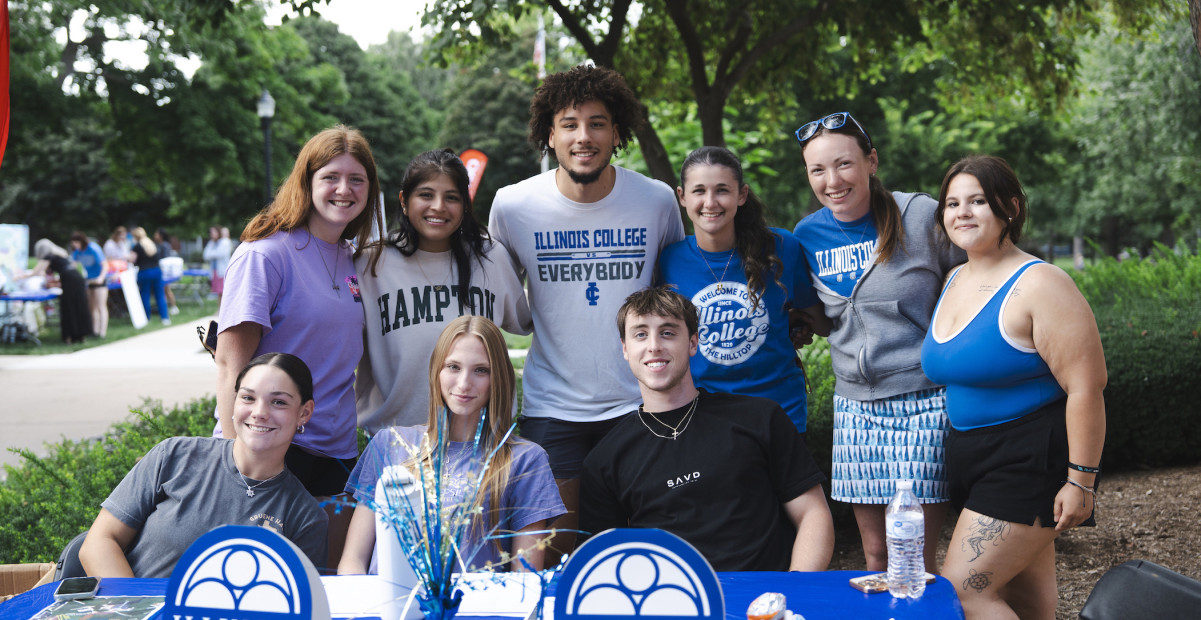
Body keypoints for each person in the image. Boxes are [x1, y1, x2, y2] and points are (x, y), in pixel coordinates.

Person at [488, 64, 685, 553]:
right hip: (552, 408)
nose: (584, 136)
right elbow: (499, 295)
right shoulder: (511, 206)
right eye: (570, 124)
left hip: (640, 403)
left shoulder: (656, 200)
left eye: (597, 123)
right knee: (550, 552)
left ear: (617, 133)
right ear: (549, 135)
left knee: (642, 551)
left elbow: (673, 293)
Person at [922, 155, 1105, 619]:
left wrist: (1081, 481)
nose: (961, 212)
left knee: (962, 593)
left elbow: (1086, 386)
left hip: (1028, 459)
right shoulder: (953, 278)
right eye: (952, 203)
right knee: (1028, 605)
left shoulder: (1040, 283)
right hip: (974, 457)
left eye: (977, 200)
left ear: (1011, 208)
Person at [791, 111, 964, 573]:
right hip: (855, 407)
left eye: (844, 164)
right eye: (818, 170)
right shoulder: (807, 235)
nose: (832, 181)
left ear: (871, 161)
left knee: (914, 558)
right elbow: (825, 321)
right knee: (874, 556)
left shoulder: (921, 215)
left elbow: (971, 282)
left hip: (924, 399)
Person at [215, 125, 382, 567]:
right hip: (271, 450)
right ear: (307, 181)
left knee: (328, 588)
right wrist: (234, 466)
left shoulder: (354, 258)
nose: (343, 189)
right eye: (331, 176)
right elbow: (231, 368)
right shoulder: (265, 255)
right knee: (265, 587)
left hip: (338, 452)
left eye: (357, 179)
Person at [580, 286, 834, 572]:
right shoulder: (605, 458)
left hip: (765, 603)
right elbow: (605, 562)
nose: (654, 346)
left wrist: (790, 592)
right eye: (640, 334)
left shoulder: (759, 418)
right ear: (625, 349)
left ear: (692, 343)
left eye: (668, 332)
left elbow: (813, 514)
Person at [339, 316, 565, 574]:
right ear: (437, 370)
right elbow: (354, 559)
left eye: (481, 370)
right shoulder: (389, 445)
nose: (464, 383)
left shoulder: (526, 460)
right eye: (453, 367)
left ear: (499, 377)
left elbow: (525, 578)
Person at [79, 353, 329, 578]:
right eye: (248, 398)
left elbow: (294, 603)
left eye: (279, 402)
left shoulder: (306, 518)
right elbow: (98, 543)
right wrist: (135, 611)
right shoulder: (176, 455)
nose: (259, 412)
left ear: (304, 413)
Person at [355, 149, 531, 433]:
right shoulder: (371, 263)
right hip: (395, 440)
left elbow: (525, 322)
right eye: (425, 195)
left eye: (451, 197)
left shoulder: (491, 258)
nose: (438, 206)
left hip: (481, 439)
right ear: (404, 200)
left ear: (465, 205)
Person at [658, 146, 826, 433]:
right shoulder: (668, 260)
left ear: (742, 195)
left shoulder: (782, 248)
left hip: (779, 412)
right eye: (699, 191)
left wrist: (794, 321)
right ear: (682, 197)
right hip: (704, 417)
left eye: (722, 190)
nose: (710, 202)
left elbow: (820, 322)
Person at [30, 239, 93, 343]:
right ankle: (80, 336)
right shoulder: (59, 254)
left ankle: (69, 336)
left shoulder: (48, 256)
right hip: (77, 278)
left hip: (69, 280)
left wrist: (19, 276)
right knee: (78, 306)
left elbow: (36, 272)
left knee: (68, 308)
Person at [69, 232, 109, 339]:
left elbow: (105, 265)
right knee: (92, 307)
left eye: (76, 242)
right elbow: (73, 265)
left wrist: (101, 278)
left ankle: (102, 332)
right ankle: (94, 331)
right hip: (89, 280)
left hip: (99, 279)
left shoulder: (93, 248)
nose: (75, 245)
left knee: (101, 306)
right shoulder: (77, 252)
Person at [129, 227, 170, 325]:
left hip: (144, 272)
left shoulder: (137, 246)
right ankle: (165, 318)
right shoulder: (151, 244)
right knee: (160, 295)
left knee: (145, 295)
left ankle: (147, 317)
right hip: (156, 271)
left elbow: (131, 259)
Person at [202, 226, 233, 302]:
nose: (212, 234)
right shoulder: (211, 243)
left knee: (224, 292)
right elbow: (205, 255)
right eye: (211, 232)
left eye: (214, 232)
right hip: (214, 271)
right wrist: (215, 253)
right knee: (219, 293)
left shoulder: (225, 242)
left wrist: (212, 254)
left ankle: (223, 311)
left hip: (222, 271)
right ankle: (220, 311)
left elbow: (221, 254)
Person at [154, 227, 180, 316]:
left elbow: (165, 259)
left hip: (164, 271)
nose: (155, 236)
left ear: (161, 235)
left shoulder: (164, 245)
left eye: (157, 234)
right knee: (164, 289)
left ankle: (173, 306)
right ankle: (167, 307)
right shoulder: (159, 245)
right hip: (159, 270)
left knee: (166, 289)